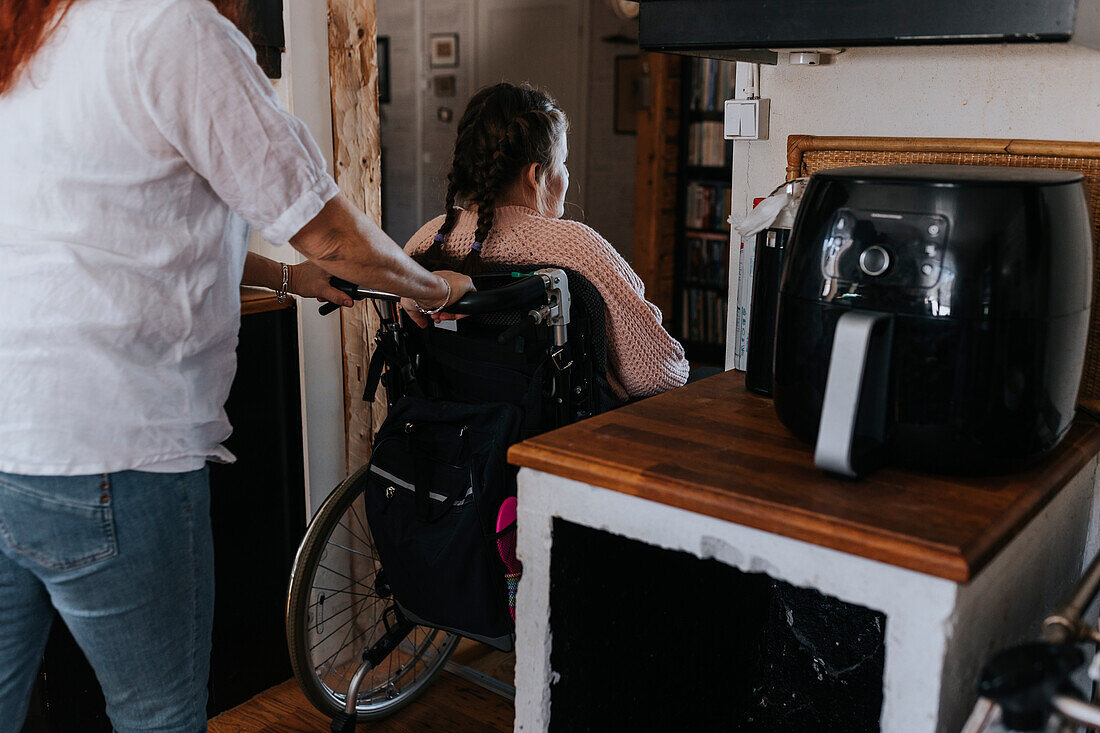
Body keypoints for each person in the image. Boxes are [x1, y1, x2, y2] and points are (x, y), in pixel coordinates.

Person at [0, 1, 471, 730]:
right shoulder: (173, 30)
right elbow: (333, 234)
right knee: (157, 714)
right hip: (114, 452)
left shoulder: (29, 33)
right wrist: (439, 287)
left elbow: (141, 230)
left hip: (10, 438)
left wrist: (288, 278)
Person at [405, 82, 689, 400]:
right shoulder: (577, 248)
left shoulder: (426, 241)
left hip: (448, 433)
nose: (566, 174)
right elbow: (657, 376)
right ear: (536, 175)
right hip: (559, 438)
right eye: (563, 162)